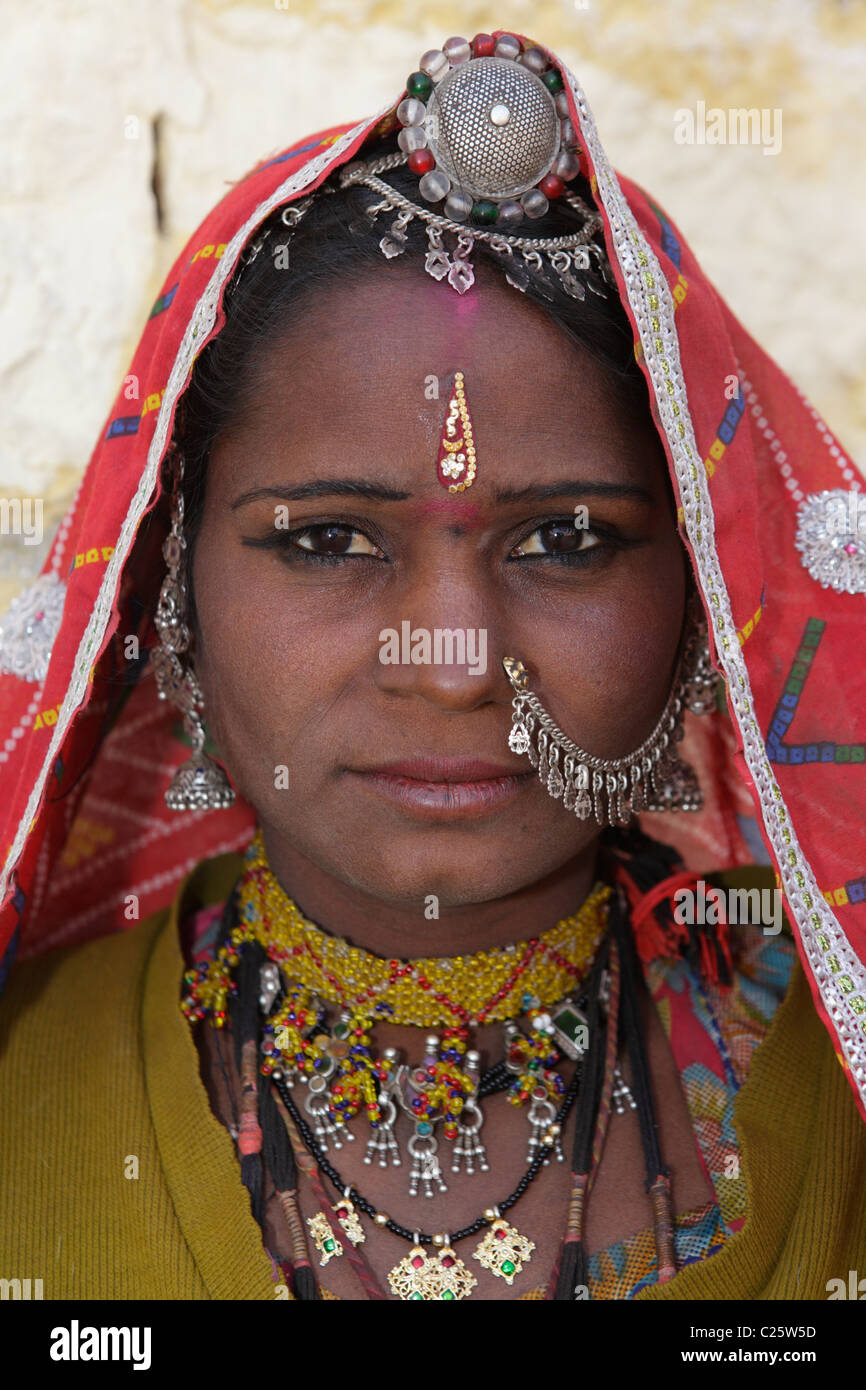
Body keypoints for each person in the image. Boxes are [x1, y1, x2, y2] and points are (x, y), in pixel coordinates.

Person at [1, 27, 865, 1303]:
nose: (452, 667)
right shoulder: (30, 1083)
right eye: (328, 539)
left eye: (564, 540)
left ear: (700, 599)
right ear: (171, 590)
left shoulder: (823, 1068)